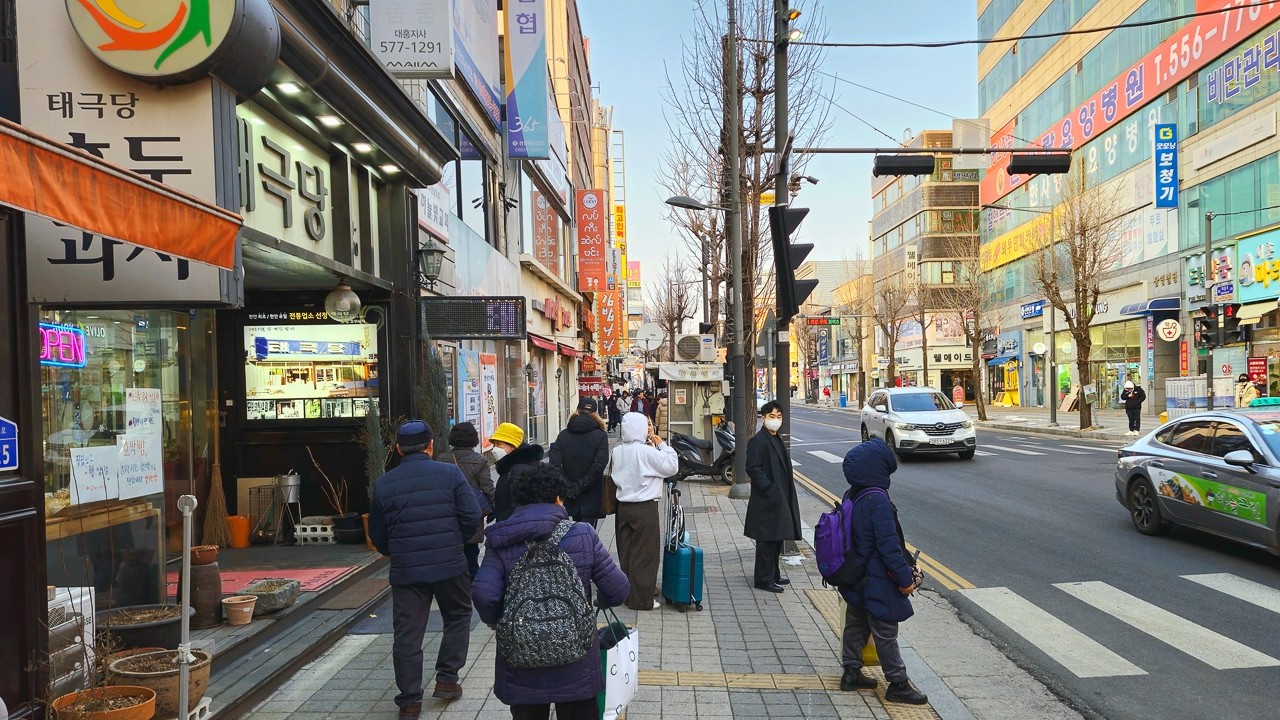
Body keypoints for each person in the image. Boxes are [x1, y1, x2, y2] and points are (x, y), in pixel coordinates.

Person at [474, 464, 630, 720]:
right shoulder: (582, 534)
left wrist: (501, 621)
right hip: (576, 656)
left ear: (519, 500)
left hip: (521, 657)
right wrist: (596, 603)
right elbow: (619, 588)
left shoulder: (501, 539)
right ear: (559, 499)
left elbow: (484, 594)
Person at [367, 420, 483, 719]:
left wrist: (397, 552)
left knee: (407, 633)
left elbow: (378, 535)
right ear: (431, 445)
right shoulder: (450, 473)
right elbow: (472, 516)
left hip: (407, 570)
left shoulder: (384, 483)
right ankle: (447, 679)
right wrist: (457, 542)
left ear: (398, 449)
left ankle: (410, 701)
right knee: (458, 616)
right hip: (450, 565)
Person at [836, 437, 929, 705]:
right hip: (876, 578)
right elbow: (889, 546)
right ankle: (898, 684)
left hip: (856, 574)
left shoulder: (853, 492)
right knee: (886, 631)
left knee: (856, 624)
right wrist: (905, 580)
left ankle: (851, 672)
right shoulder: (877, 499)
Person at [611, 411, 679, 610]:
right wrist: (663, 444)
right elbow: (672, 466)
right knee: (645, 555)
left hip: (622, 507)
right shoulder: (646, 451)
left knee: (627, 553)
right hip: (645, 507)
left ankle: (627, 593)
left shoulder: (617, 451)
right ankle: (642, 600)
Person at [744, 401, 801, 593]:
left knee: (776, 539)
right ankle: (763, 579)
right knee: (766, 541)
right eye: (772, 417)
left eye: (778, 417)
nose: (775, 421)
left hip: (779, 497)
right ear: (763, 418)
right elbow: (752, 468)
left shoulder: (775, 437)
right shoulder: (758, 441)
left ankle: (773, 574)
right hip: (766, 499)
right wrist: (769, 488)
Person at [437, 421, 497, 578]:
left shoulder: (442, 459)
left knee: (451, 551)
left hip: (448, 511)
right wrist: (493, 505)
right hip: (471, 511)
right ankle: (471, 588)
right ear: (473, 439)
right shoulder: (479, 460)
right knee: (471, 554)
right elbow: (487, 487)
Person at [548, 398, 609, 528]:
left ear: (577, 411)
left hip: (569, 494)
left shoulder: (563, 435)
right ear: (595, 414)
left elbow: (554, 464)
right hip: (592, 494)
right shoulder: (600, 435)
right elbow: (599, 465)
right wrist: (581, 485)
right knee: (588, 534)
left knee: (572, 535)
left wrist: (569, 486)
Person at [489, 422, 544, 522]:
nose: (494, 449)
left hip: (514, 527)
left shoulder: (520, 470)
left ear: (513, 446)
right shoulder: (509, 467)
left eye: (499, 445)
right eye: (494, 444)